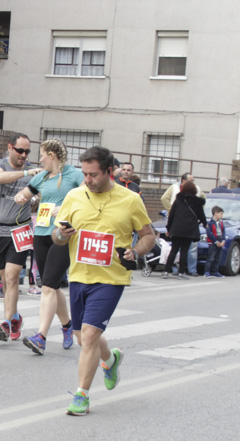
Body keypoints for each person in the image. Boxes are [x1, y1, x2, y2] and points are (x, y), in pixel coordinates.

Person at [53, 146, 155, 416]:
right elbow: (57, 236)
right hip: (78, 276)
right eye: (85, 174)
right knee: (81, 338)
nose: (87, 179)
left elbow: (148, 236)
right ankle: (110, 359)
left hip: (111, 278)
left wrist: (137, 251)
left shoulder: (131, 200)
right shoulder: (74, 196)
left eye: (93, 175)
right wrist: (62, 235)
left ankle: (81, 396)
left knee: (88, 336)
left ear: (110, 171)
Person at [14, 139, 81, 355]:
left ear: (52, 155)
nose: (39, 159)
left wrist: (65, 207)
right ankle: (67, 325)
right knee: (51, 285)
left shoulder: (74, 174)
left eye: (42, 154)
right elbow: (25, 193)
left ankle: (41, 336)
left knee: (48, 286)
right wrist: (21, 197)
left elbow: (88, 197)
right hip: (41, 233)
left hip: (62, 234)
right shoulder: (42, 176)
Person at [0, 133, 43, 341]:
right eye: (20, 150)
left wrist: (36, 199)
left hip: (20, 230)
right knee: (5, 280)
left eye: (27, 152)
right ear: (10, 147)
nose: (23, 155)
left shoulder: (33, 173)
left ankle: (5, 324)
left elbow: (39, 196)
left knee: (12, 278)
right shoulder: (0, 164)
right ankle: (15, 319)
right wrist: (26, 172)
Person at [162, 181, 206, 280]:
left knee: (173, 250)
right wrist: (205, 224)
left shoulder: (177, 201)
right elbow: (201, 215)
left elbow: (171, 216)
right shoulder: (197, 203)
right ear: (194, 190)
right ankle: (181, 273)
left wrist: (169, 228)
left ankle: (166, 271)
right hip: (189, 230)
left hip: (177, 229)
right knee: (184, 251)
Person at [205, 205, 228, 277]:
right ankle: (207, 271)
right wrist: (215, 241)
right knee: (211, 257)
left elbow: (223, 232)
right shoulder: (210, 223)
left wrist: (223, 240)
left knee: (218, 258)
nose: (222, 215)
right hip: (213, 242)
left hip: (220, 240)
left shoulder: (221, 223)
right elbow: (209, 233)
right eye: (221, 213)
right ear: (216, 213)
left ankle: (215, 271)